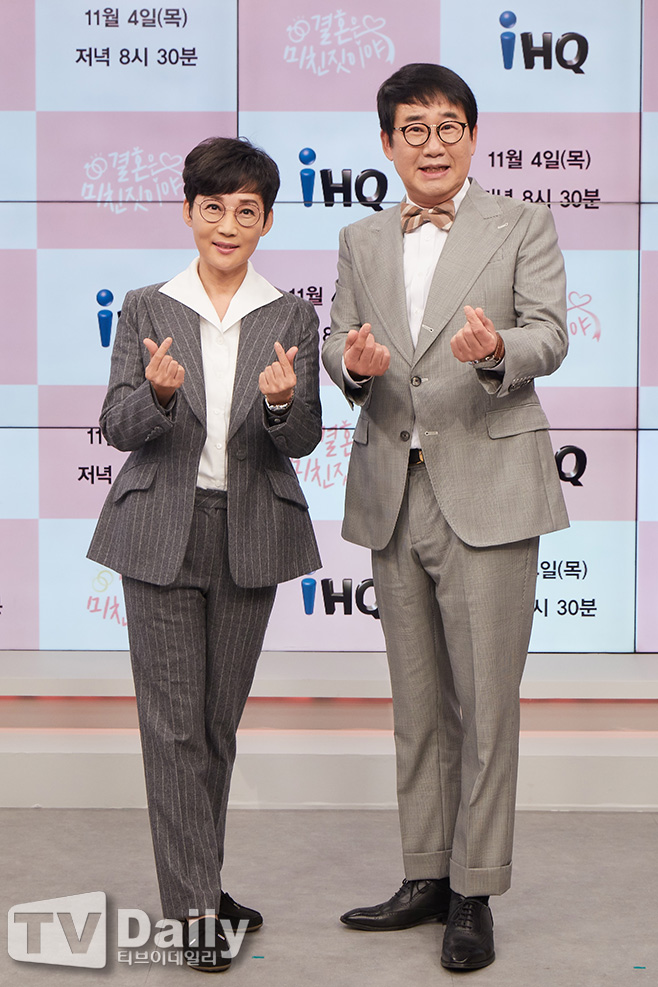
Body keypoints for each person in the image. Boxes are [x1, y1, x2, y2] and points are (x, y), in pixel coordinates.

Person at [322, 63, 569, 971]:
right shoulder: (359, 237)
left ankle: (476, 889)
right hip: (394, 487)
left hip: (490, 485)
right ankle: (425, 872)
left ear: (472, 136)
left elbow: (551, 331)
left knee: (487, 705)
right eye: (414, 130)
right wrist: (348, 366)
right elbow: (338, 341)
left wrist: (499, 348)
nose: (433, 144)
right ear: (388, 144)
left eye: (449, 127)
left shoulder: (522, 222)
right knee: (418, 704)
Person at [88, 136, 322, 973]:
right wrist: (155, 394)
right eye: (213, 207)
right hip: (158, 530)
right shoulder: (147, 307)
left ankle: (204, 883)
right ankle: (192, 913)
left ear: (266, 221)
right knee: (173, 729)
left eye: (246, 210)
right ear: (189, 211)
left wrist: (284, 404)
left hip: (250, 529)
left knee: (215, 727)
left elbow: (303, 436)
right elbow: (117, 425)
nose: (228, 224)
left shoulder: (291, 317)